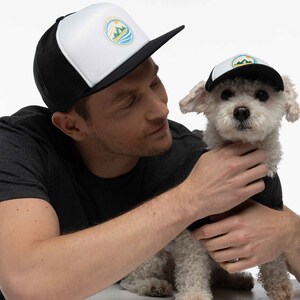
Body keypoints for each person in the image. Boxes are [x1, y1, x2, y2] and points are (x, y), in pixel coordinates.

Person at [0, 2, 298, 299]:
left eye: (154, 81)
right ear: (72, 126)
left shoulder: (189, 153)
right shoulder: (19, 145)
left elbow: (267, 217)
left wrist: (291, 233)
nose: (160, 109)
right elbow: (27, 283)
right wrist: (189, 199)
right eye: (128, 101)